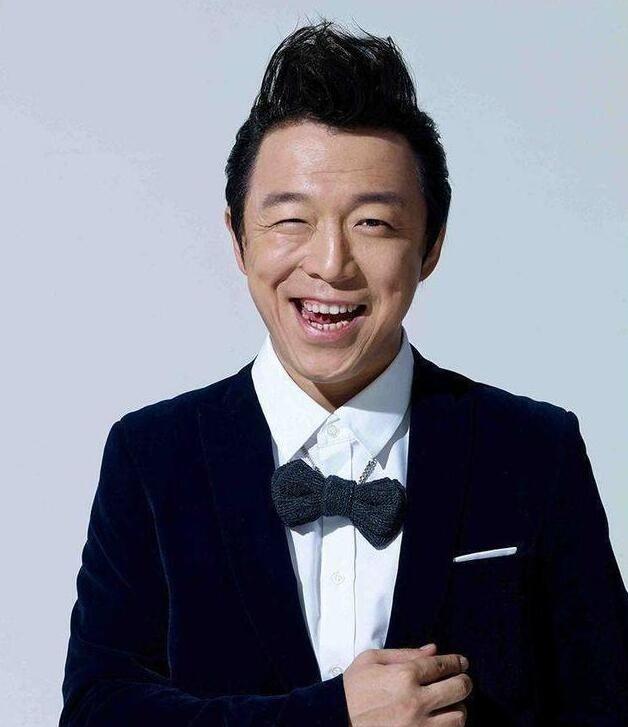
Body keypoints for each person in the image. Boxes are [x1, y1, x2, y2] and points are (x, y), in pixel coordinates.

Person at [59, 19, 628, 727]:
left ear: (431, 245)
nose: (330, 264)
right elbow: (99, 711)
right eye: (290, 220)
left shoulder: (534, 450)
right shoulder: (152, 456)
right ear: (238, 238)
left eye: (373, 223)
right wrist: (334, 717)